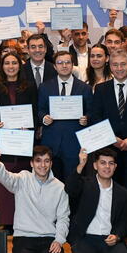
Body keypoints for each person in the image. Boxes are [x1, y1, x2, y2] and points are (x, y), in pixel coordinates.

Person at [66, 148, 127, 253]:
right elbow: (70, 189)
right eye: (103, 163)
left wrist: (117, 236)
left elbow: (125, 220)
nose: (107, 167)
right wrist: (80, 166)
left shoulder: (122, 192)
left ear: (115, 167)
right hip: (86, 238)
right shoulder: (85, 184)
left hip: (109, 239)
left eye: (110, 164)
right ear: (95, 165)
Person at [0, 52, 38, 230]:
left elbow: (35, 114)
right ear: (2, 66)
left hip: (24, 143)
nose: (10, 66)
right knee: (5, 182)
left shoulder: (30, 87)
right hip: (4, 143)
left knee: (23, 182)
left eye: (14, 63)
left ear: (19, 65)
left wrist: (29, 125)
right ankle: (7, 222)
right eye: (7, 63)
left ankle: (23, 222)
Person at [90, 50, 127, 187]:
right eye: (115, 65)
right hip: (109, 150)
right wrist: (112, 137)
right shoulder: (101, 89)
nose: (119, 68)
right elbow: (96, 117)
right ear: (110, 66)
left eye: (123, 64)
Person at [38, 50, 92, 180]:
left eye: (67, 62)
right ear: (55, 66)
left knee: (72, 182)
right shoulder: (45, 87)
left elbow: (92, 112)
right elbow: (39, 110)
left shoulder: (85, 88)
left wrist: (87, 118)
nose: (64, 65)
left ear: (72, 65)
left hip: (74, 144)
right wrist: (44, 118)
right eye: (60, 63)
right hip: (51, 142)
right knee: (51, 184)